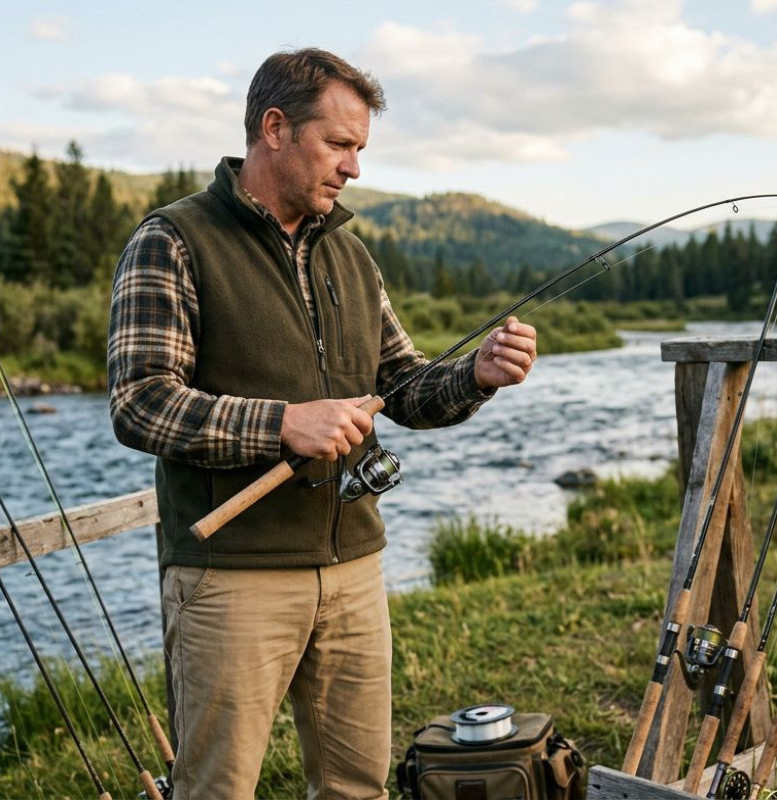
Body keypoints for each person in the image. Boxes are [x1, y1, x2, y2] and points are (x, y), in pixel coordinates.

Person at [108, 48, 537, 800]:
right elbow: (139, 401)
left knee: (356, 788)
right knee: (215, 790)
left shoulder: (351, 253)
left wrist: (476, 376)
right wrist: (282, 424)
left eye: (360, 149)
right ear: (274, 128)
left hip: (353, 571)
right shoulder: (172, 240)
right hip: (228, 577)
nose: (354, 168)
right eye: (340, 144)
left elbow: (403, 388)